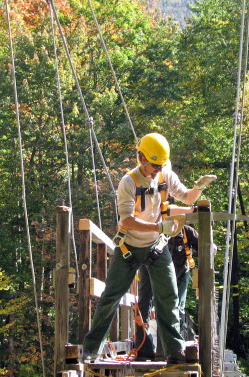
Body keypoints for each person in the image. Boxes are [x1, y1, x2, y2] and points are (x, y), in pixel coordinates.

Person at [81, 133, 215, 364]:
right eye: (154, 165)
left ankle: (174, 351)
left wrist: (199, 188)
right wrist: (158, 226)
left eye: (161, 165)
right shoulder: (128, 182)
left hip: (156, 248)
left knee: (169, 298)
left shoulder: (164, 175)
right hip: (129, 249)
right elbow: (127, 221)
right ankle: (91, 349)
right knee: (110, 297)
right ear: (141, 158)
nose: (157, 170)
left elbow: (187, 198)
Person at [136, 220, 199, 360]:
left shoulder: (187, 232)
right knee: (144, 304)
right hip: (151, 267)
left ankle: (173, 349)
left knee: (177, 308)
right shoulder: (154, 228)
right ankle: (143, 349)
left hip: (180, 273)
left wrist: (210, 247)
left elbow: (203, 246)